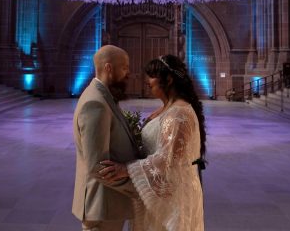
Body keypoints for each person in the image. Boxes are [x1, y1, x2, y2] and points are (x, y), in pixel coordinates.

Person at [99, 55, 206, 231]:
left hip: (173, 197)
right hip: (162, 193)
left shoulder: (178, 113)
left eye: (151, 75)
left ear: (169, 80)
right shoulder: (167, 108)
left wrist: (126, 169)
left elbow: (167, 160)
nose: (147, 80)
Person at [72, 45, 140, 231]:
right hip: (101, 207)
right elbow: (98, 167)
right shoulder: (95, 103)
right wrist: (139, 186)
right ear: (109, 68)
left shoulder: (105, 95)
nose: (129, 73)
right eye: (124, 67)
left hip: (108, 205)